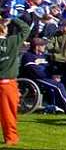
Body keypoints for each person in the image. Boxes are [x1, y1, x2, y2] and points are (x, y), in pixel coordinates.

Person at [21, 37, 66, 115]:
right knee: (59, 86)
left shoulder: (42, 56)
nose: (44, 47)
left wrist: (54, 75)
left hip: (45, 77)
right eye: (43, 45)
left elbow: (49, 67)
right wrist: (49, 76)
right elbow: (33, 71)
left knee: (60, 83)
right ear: (37, 46)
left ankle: (62, 108)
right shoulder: (28, 56)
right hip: (35, 78)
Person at [0, 17, 30, 145]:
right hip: (7, 84)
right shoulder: (11, 42)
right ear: (4, 30)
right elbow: (25, 29)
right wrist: (13, 19)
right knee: (8, 114)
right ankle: (11, 138)